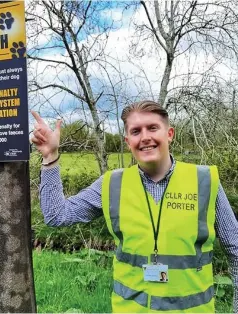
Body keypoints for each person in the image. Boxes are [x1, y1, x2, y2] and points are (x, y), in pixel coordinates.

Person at [31, 100, 238, 313]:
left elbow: (236, 250)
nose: (145, 137)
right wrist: (50, 157)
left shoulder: (204, 181)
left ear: (169, 134)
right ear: (128, 141)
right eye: (136, 131)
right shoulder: (111, 185)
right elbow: (57, 215)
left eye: (153, 128)